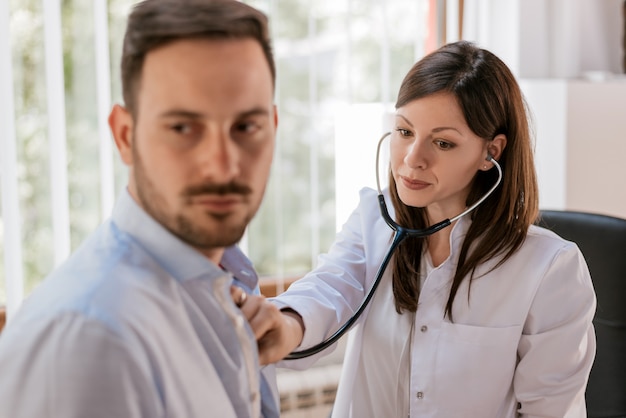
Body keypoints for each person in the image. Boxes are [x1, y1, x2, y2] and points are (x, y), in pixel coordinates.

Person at [246, 41, 597, 417]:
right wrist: (285, 324)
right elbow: (331, 286)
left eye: (442, 142)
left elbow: (551, 410)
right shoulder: (373, 222)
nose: (413, 160)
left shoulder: (549, 269)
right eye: (405, 131)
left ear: (490, 152)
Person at [0, 0, 280, 417]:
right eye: (184, 128)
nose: (223, 165)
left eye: (246, 127)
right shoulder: (87, 340)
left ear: (273, 127)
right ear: (125, 135)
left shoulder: (228, 285)